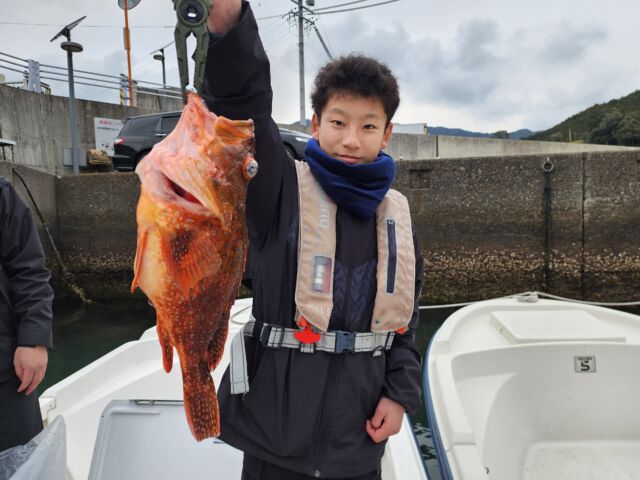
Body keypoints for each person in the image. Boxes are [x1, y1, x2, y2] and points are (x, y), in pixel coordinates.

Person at [204, 2, 423, 479]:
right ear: (314, 124)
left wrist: (399, 394)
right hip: (274, 441)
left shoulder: (397, 219)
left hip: (357, 446)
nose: (351, 139)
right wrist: (229, 24)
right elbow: (243, 109)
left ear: (387, 134)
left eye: (368, 126)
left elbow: (404, 328)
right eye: (338, 122)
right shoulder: (279, 189)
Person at [0, 177, 53, 452]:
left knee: (21, 462)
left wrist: (34, 340)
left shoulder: (2, 195)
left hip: (6, 371)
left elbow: (29, 270)